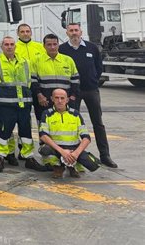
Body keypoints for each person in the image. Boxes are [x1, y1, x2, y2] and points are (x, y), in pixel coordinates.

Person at [59, 23, 118, 168]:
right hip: (72, 93)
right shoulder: (62, 49)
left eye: (76, 30)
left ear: (81, 32)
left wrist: (93, 81)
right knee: (73, 125)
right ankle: (74, 155)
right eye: (71, 31)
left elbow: (99, 67)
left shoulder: (92, 48)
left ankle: (105, 155)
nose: (74, 33)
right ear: (67, 33)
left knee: (98, 123)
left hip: (91, 90)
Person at [0, 36, 45, 173]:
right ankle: (0, 157)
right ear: (1, 47)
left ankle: (28, 157)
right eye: (6, 44)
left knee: (26, 132)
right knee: (3, 132)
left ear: (15, 46)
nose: (9, 47)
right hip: (5, 105)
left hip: (23, 105)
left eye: (12, 44)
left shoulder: (25, 62)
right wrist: (1, 97)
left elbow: (28, 82)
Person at [39, 88, 100, 178]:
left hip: (74, 149)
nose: (59, 101)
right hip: (56, 148)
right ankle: (58, 167)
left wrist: (76, 153)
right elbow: (43, 136)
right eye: (56, 98)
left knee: (93, 164)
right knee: (44, 150)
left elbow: (86, 138)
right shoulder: (47, 114)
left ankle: (72, 166)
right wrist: (62, 152)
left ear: (67, 100)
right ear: (52, 99)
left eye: (62, 98)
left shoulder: (75, 114)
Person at [31, 34, 80, 123]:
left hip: (65, 101)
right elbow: (33, 80)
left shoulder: (68, 60)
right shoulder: (36, 60)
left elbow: (75, 79)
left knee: (66, 124)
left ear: (58, 45)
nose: (52, 47)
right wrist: (39, 95)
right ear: (44, 46)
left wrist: (72, 96)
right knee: (44, 126)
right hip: (45, 101)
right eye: (49, 45)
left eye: (55, 44)